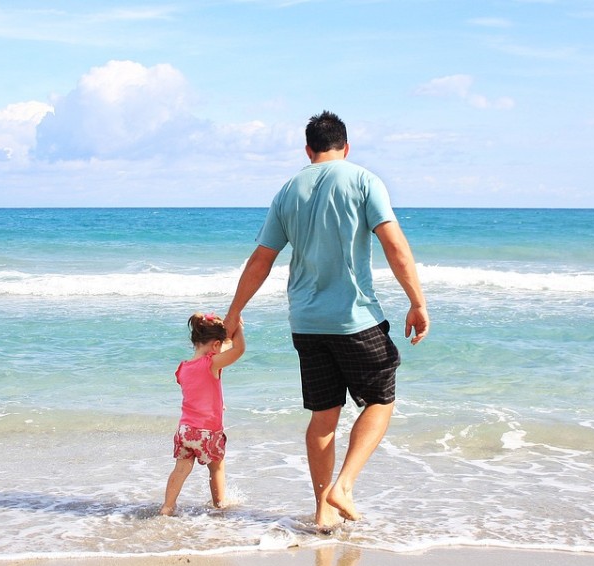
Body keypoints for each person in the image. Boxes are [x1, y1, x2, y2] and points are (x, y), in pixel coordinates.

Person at [223, 110, 429, 531]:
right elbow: (394, 244)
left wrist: (234, 311)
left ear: (308, 149)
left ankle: (323, 511)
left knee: (323, 416)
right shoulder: (363, 180)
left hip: (306, 321)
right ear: (346, 147)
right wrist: (417, 301)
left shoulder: (287, 191)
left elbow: (262, 259)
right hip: (353, 318)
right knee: (381, 400)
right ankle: (345, 486)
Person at [160, 312, 246, 516]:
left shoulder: (182, 368)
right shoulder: (211, 364)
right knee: (216, 468)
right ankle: (219, 504)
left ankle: (167, 507)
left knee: (181, 469)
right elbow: (239, 349)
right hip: (208, 431)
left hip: (185, 431)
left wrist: (225, 334)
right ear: (215, 346)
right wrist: (238, 328)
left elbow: (199, 391)